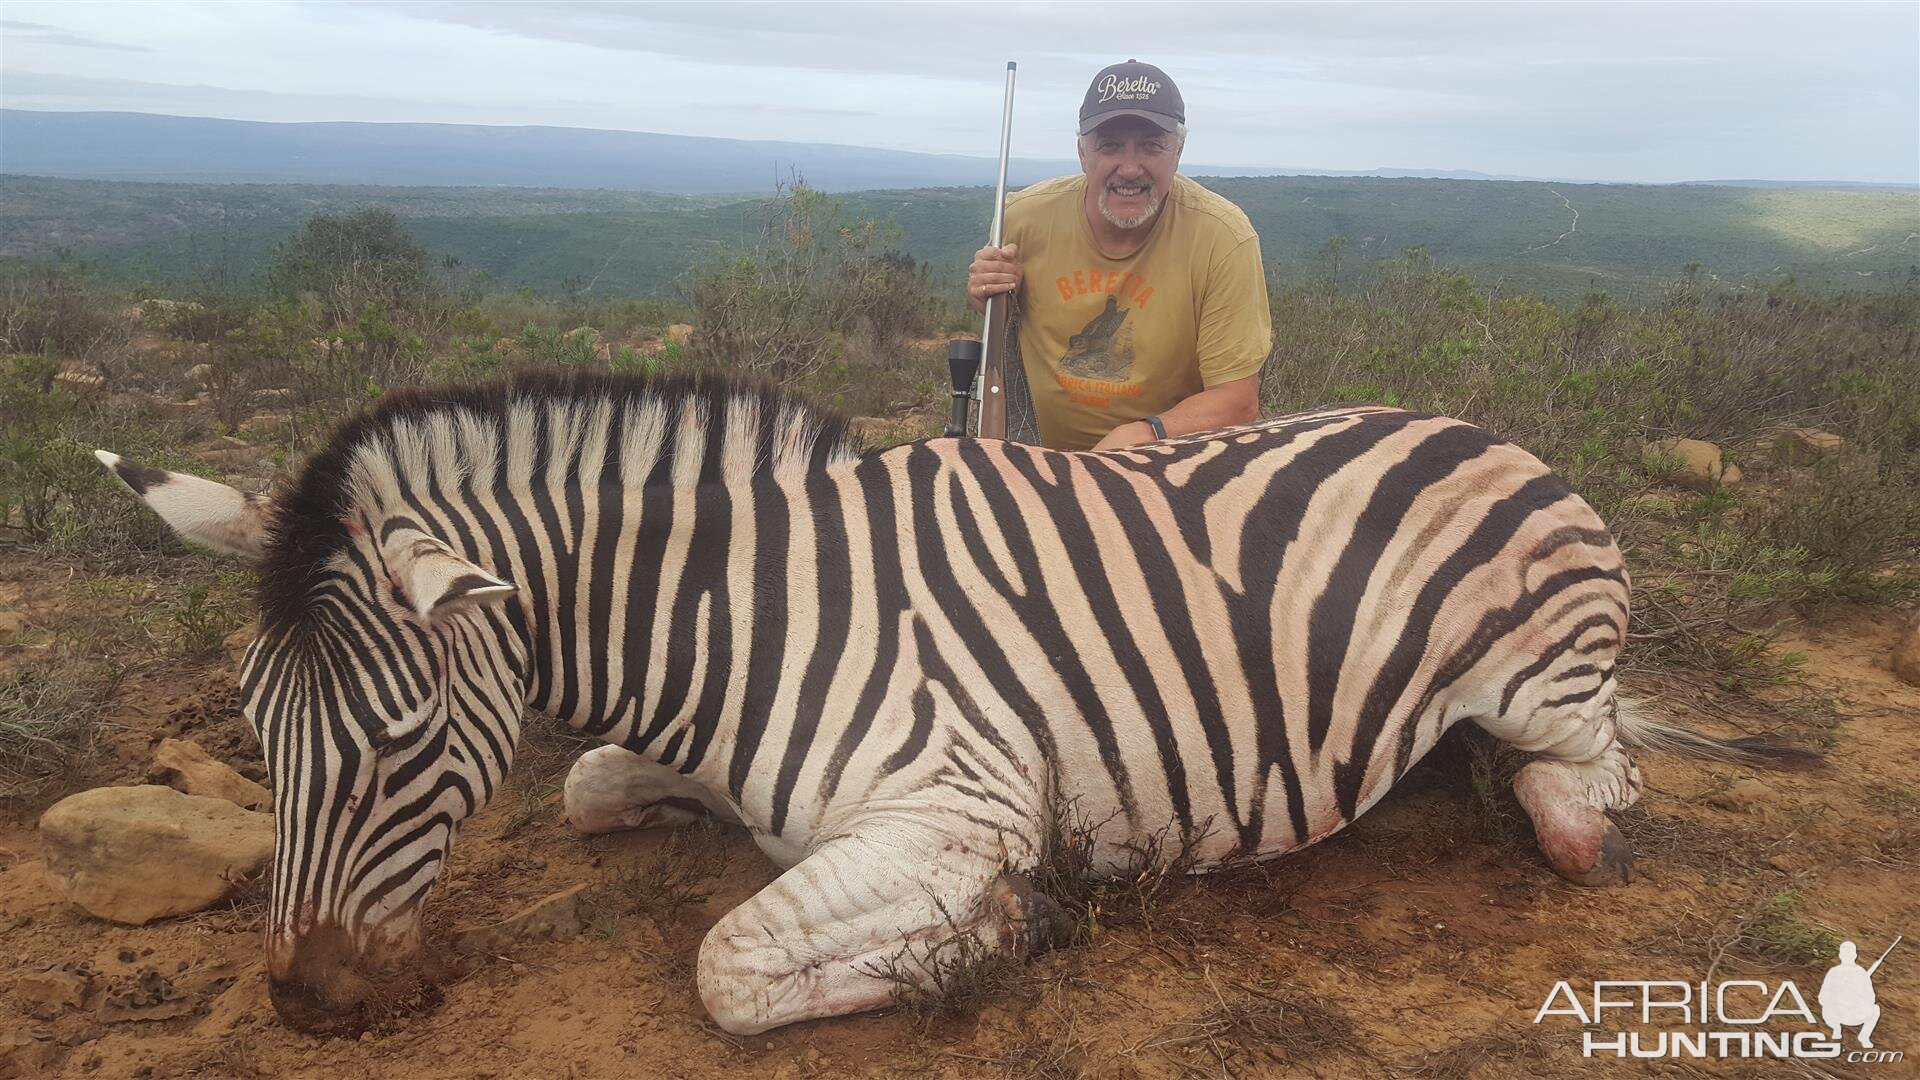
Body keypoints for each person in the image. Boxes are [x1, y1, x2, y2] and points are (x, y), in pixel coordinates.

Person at [966, 60, 1272, 451]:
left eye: (1151, 145)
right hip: (1035, 459)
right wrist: (984, 296)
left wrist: (1145, 435)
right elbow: (1000, 324)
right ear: (1082, 152)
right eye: (1109, 145)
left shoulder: (1223, 238)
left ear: (1178, 151)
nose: (1129, 168)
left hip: (1166, 463)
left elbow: (1237, 400)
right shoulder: (1021, 219)